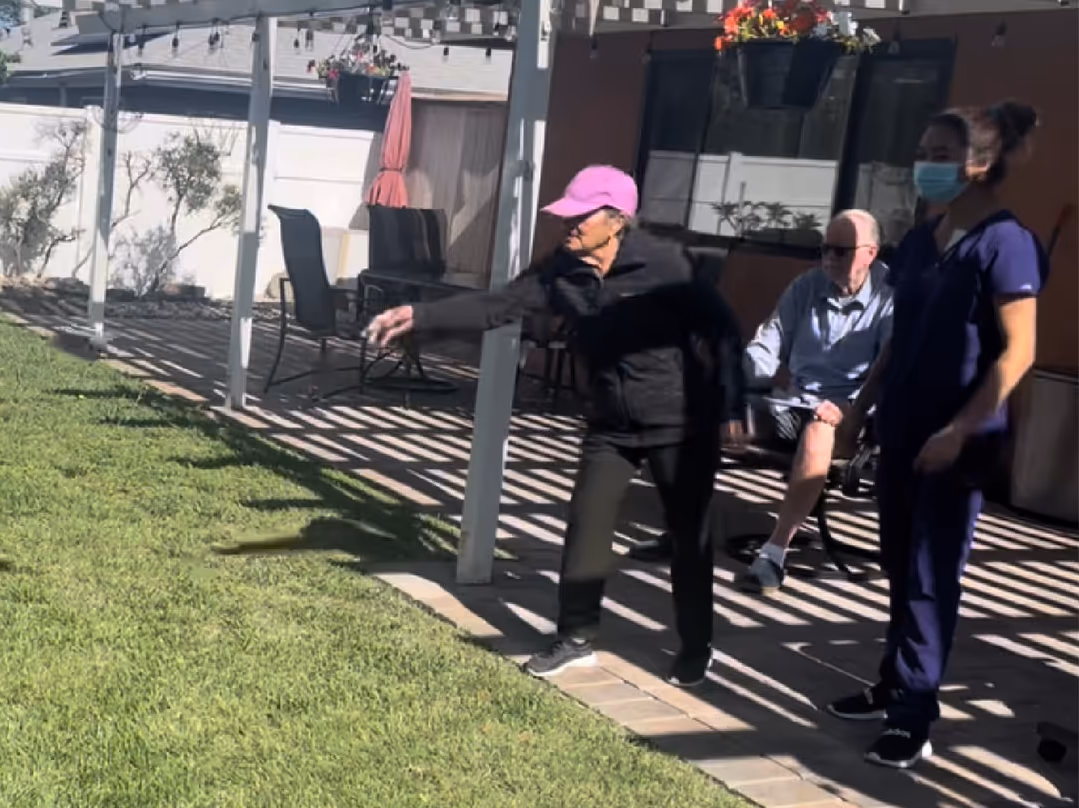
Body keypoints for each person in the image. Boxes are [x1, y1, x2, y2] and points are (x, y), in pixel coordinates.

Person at [368, 165, 747, 686]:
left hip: (681, 422)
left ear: (616, 220)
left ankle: (696, 644)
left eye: (579, 216)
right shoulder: (562, 270)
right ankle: (575, 638)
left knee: (687, 535)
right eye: (566, 214)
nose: (567, 225)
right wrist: (421, 314)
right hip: (611, 421)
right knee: (587, 525)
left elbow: (723, 328)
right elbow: (500, 305)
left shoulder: (665, 265)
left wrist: (732, 402)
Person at [825, 101, 1045, 769]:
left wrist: (961, 427)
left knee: (930, 573)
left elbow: (1021, 350)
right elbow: (900, 335)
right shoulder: (922, 238)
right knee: (898, 561)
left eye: (941, 155)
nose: (925, 165)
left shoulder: (1008, 243)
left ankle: (914, 713)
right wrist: (863, 405)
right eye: (921, 151)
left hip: (961, 439)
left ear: (979, 164)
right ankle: (894, 681)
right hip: (902, 428)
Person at [734, 210, 894, 595]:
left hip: (853, 419)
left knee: (820, 431)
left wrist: (850, 407)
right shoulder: (806, 287)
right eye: (824, 249)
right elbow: (767, 346)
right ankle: (680, 531)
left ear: (870, 253)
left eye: (841, 251)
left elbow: (890, 370)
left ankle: (774, 553)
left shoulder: (891, 297)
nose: (829, 259)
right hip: (794, 403)